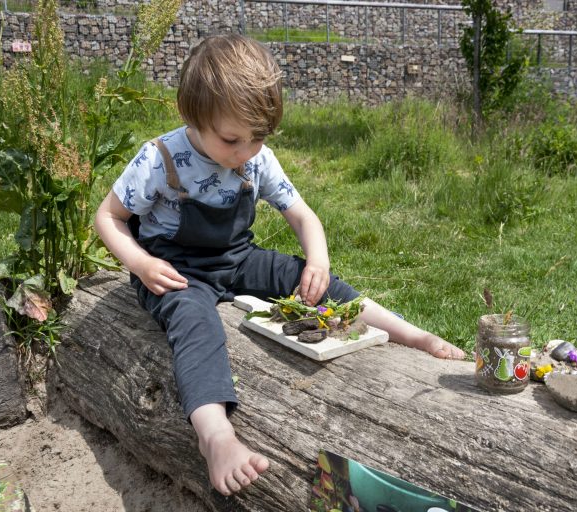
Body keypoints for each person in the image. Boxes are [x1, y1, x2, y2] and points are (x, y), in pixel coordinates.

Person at [94, 34, 465, 497]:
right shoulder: (161, 159)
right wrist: (141, 262)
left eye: (259, 138)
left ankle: (410, 335)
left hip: (237, 258)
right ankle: (216, 437)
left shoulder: (254, 157)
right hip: (174, 270)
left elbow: (302, 215)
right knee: (196, 324)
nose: (246, 151)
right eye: (232, 139)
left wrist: (318, 259)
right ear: (193, 115)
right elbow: (108, 217)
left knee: (300, 279)